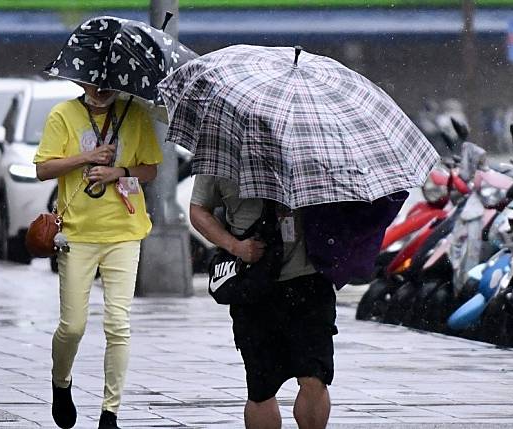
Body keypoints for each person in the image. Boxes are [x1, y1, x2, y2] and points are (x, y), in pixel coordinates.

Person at [34, 83, 163, 429]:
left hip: (125, 232)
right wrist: (87, 158)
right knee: (72, 327)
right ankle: (61, 383)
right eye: (96, 82)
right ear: (82, 81)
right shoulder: (63, 114)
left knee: (118, 324)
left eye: (109, 83)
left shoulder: (134, 114)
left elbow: (150, 169)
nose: (102, 89)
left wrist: (118, 172)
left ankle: (110, 412)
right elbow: (43, 169)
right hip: (77, 235)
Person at [190, 176, 337, 429]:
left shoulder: (310, 145)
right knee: (261, 387)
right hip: (254, 284)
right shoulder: (222, 150)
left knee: (315, 376)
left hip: (309, 281)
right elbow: (197, 210)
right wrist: (234, 246)